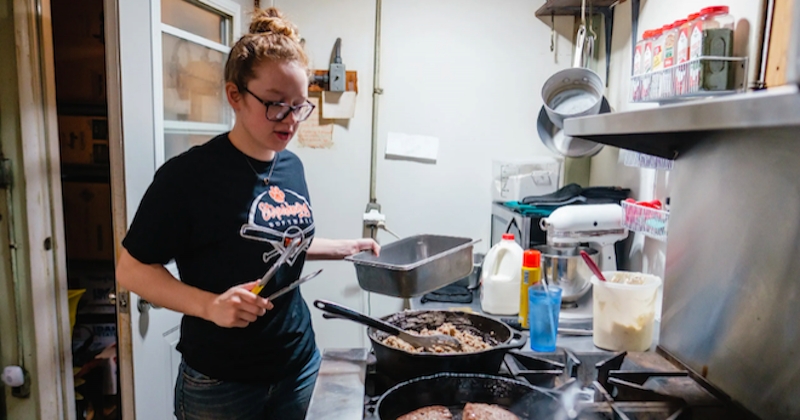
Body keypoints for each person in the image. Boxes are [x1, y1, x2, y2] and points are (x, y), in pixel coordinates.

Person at [116, 7, 379, 420]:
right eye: (276, 105)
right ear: (234, 95)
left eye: (299, 105)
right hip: (221, 384)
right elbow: (131, 271)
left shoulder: (290, 165)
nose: (291, 120)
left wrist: (347, 247)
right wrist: (210, 306)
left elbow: (280, 245)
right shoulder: (188, 176)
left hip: (298, 364)